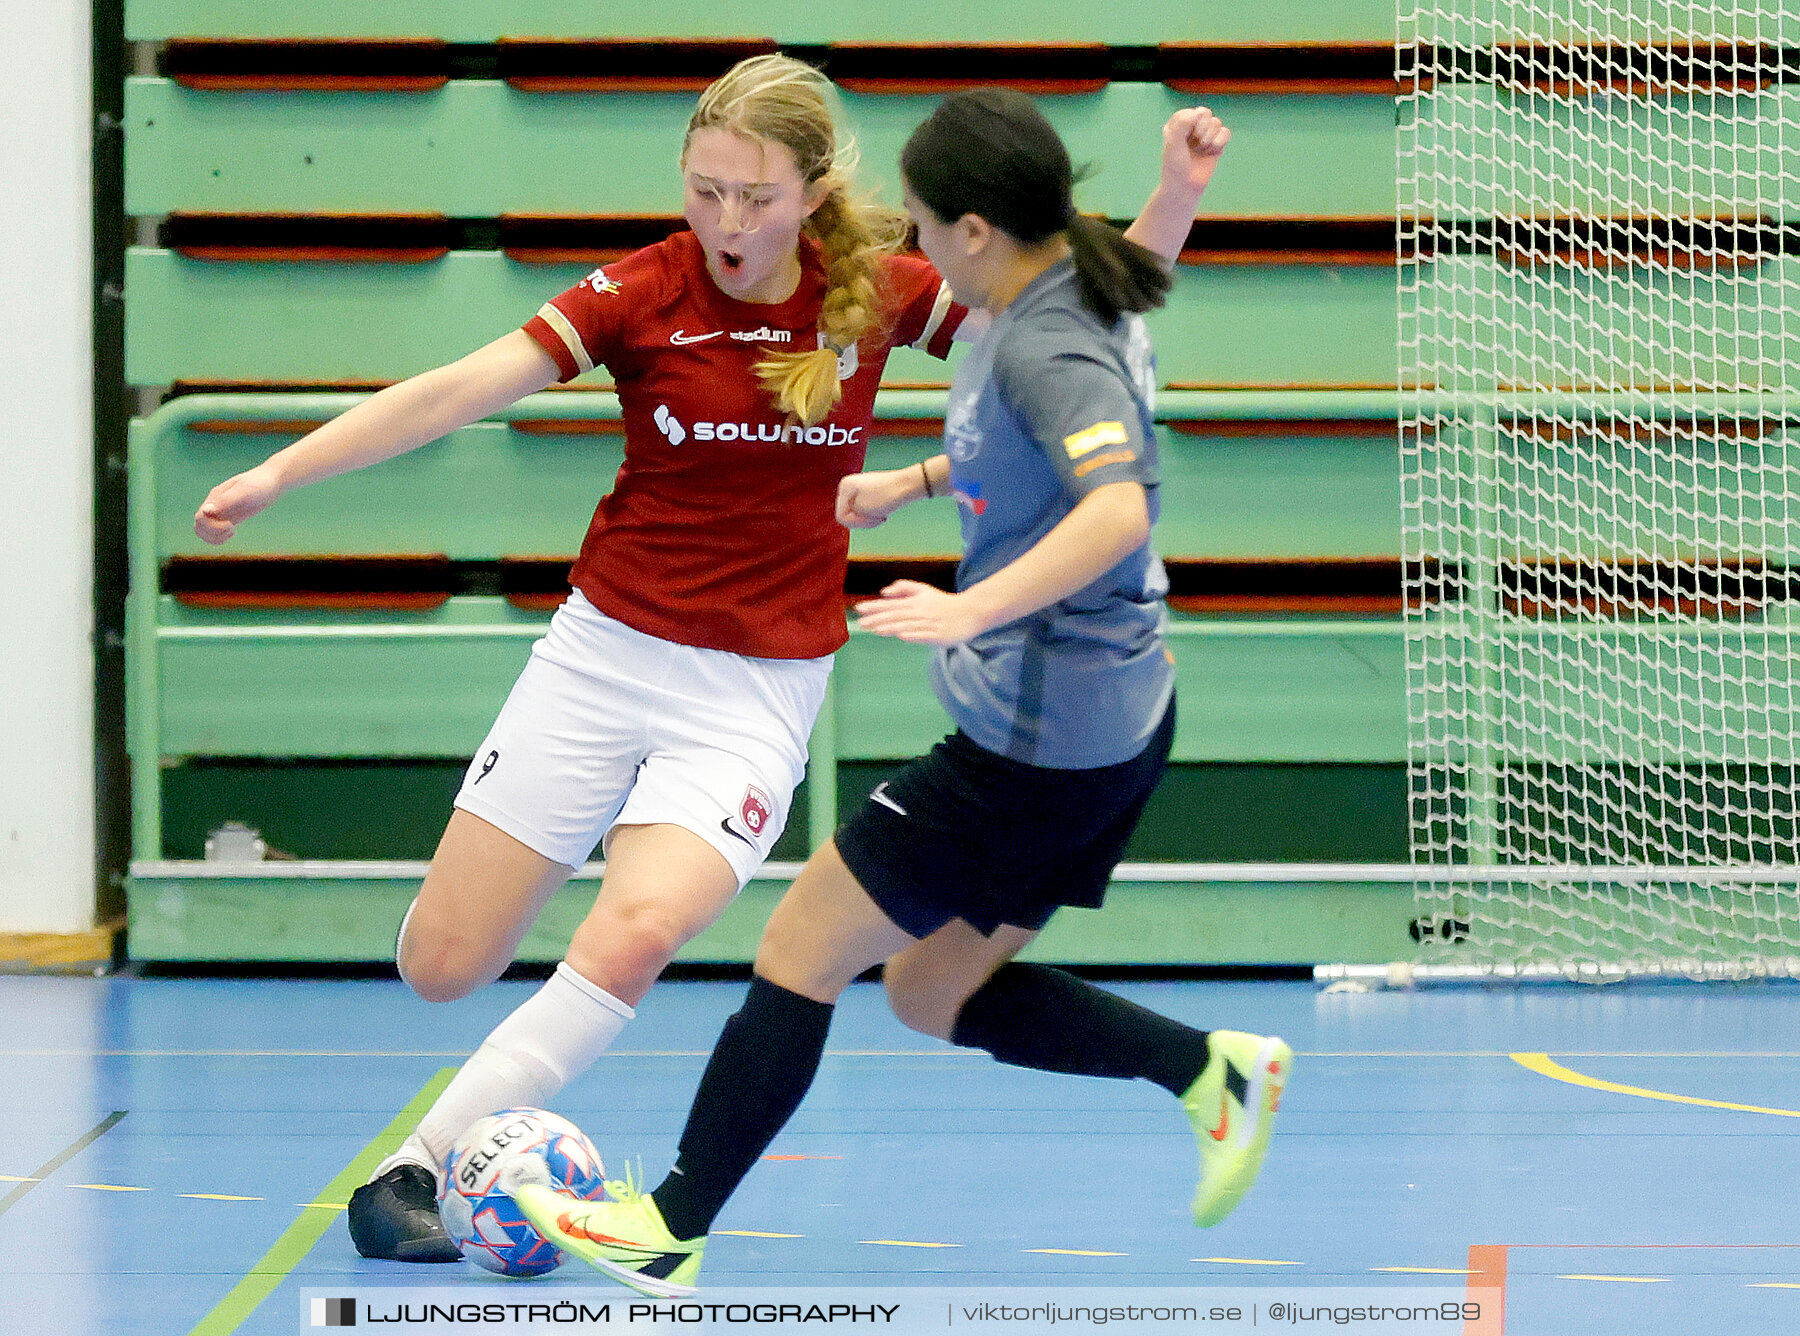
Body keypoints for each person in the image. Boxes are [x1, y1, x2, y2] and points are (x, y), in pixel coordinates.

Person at [192, 58, 1210, 1263]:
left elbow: (1074, 303)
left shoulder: (878, 288)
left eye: (757, 197)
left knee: (637, 928)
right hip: (602, 655)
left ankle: (412, 1169)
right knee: (442, 965)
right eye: (705, 190)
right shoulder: (645, 290)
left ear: (815, 189)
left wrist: (1175, 195)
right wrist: (279, 472)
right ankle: (466, 1046)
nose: (728, 223)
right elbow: (460, 389)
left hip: (753, 690)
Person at [508, 88, 1291, 1299]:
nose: (910, 250)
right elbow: (1046, 414)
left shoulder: (1041, 337)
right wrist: (916, 481)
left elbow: (1118, 504)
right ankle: (1211, 1071)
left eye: (923, 226)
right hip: (1119, 722)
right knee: (932, 991)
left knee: (799, 946)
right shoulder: (1067, 286)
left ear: (976, 230)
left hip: (1032, 740)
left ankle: (665, 1227)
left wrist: (970, 607)